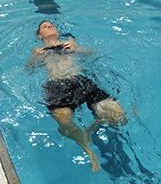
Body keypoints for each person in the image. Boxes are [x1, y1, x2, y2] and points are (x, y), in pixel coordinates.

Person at [27, 20, 126, 171]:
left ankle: (95, 124)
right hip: (57, 86)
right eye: (44, 26)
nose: (49, 26)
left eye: (51, 24)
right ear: (40, 35)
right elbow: (28, 69)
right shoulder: (37, 50)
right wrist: (36, 59)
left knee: (118, 116)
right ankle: (87, 147)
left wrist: (78, 49)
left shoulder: (70, 42)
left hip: (80, 80)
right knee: (64, 121)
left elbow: (92, 54)